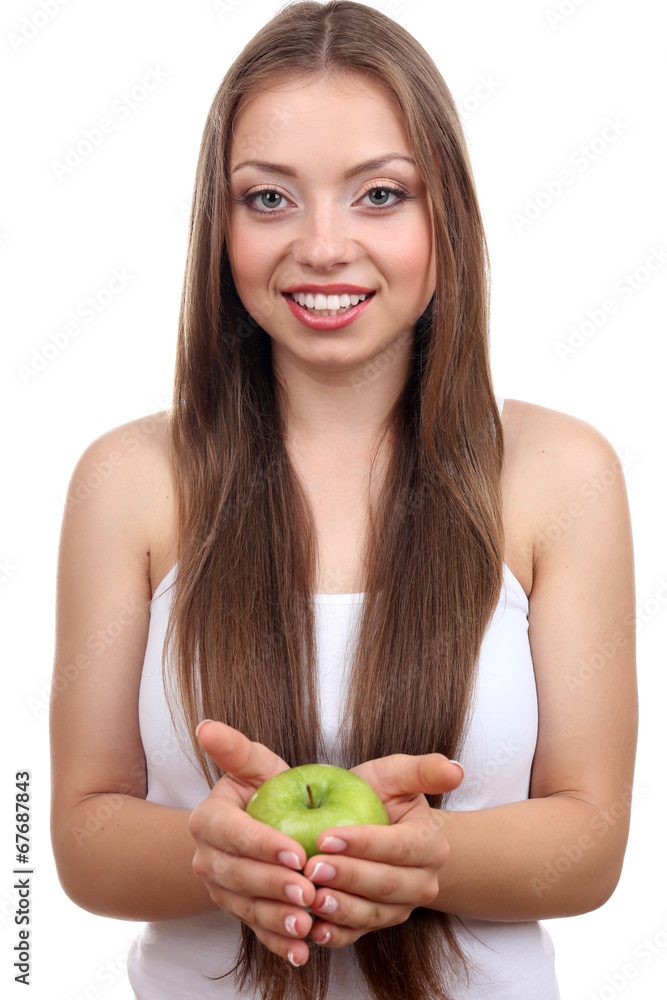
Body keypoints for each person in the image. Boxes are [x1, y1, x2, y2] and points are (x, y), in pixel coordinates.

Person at [49, 2, 637, 998]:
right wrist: (213, 853)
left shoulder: (559, 472)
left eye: (377, 194)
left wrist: (424, 858)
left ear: (443, 211)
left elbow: (591, 840)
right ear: (218, 224)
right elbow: (76, 834)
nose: (322, 246)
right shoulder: (128, 479)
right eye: (270, 199)